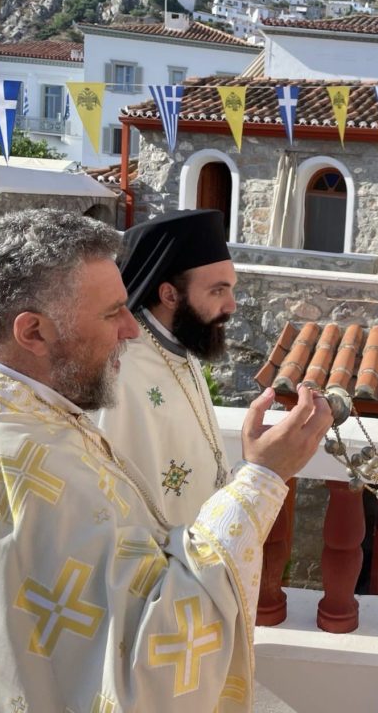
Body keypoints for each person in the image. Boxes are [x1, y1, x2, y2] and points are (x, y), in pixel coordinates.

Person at [0, 209, 333, 710]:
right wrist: (262, 478)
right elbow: (148, 671)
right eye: (113, 313)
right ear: (34, 332)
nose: (132, 329)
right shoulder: (19, 469)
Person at [98, 209, 238, 525]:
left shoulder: (179, 346)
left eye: (231, 288)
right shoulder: (121, 372)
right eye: (218, 290)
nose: (231, 306)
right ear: (170, 295)